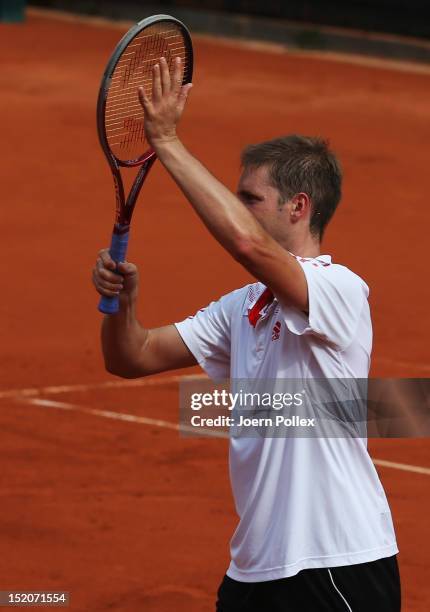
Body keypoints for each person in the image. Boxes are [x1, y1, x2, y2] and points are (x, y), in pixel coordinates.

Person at [92, 57, 401, 611]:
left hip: (336, 564)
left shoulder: (341, 289)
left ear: (299, 207)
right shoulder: (242, 309)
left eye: (250, 199)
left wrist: (167, 141)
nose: (239, 209)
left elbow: (248, 247)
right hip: (254, 570)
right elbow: (132, 356)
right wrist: (123, 306)